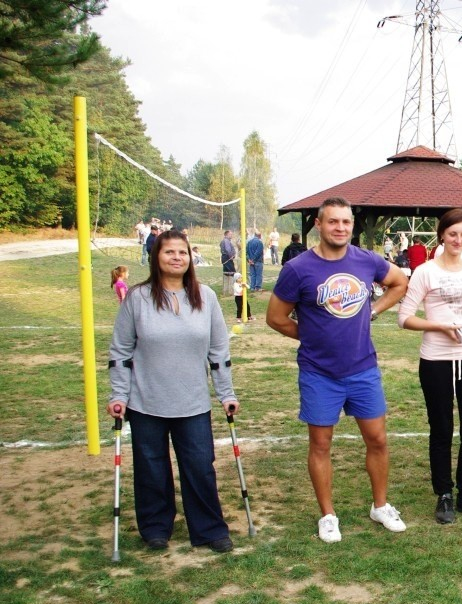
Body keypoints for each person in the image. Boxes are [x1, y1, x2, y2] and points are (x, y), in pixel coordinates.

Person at [266, 197, 409, 541]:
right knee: (320, 444)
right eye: (333, 222)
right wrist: (310, 335)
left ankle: (380, 505)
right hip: (319, 372)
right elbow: (275, 318)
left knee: (377, 439)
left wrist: (373, 311)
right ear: (319, 224)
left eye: (346, 222)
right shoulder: (298, 269)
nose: (340, 228)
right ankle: (328, 515)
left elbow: (399, 283)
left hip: (363, 368)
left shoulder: (366, 260)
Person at [106, 229, 237, 553]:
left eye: (182, 252)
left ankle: (208, 529)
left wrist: (226, 394)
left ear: (190, 258)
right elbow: (120, 351)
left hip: (192, 402)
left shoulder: (205, 297)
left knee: (200, 467)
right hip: (145, 401)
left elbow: (219, 353)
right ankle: (155, 528)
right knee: (151, 468)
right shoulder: (137, 298)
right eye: (169, 252)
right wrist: (119, 395)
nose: (177, 257)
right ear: (156, 257)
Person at [398, 208, 462, 524]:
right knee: (441, 429)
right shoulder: (426, 271)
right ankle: (444, 495)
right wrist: (438, 327)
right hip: (436, 360)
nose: (458, 239)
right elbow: (405, 317)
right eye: (452, 233)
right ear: (442, 234)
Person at [220, 230, 237, 296]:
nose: (231, 235)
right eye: (230, 234)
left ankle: (225, 291)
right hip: (227, 258)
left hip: (225, 258)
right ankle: (230, 291)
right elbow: (228, 250)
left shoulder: (224, 241)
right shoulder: (226, 241)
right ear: (226, 235)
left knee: (226, 274)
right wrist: (232, 256)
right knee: (231, 274)